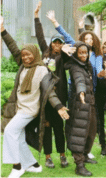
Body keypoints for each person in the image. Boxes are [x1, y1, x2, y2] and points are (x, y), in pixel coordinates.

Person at [1, 15, 69, 178]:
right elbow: (13, 47)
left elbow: (49, 91)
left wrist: (59, 106)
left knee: (10, 131)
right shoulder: (23, 66)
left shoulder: (41, 70)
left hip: (30, 110)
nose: (25, 57)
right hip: (19, 108)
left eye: (28, 55)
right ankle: (33, 164)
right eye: (23, 55)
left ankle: (17, 166)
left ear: (35, 55)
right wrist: (2, 30)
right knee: (18, 136)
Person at [47, 10, 102, 158]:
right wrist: (54, 22)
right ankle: (77, 154)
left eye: (91, 39)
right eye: (86, 38)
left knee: (91, 125)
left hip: (92, 93)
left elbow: (97, 71)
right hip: (77, 91)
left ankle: (84, 152)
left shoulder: (96, 56)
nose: (89, 41)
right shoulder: (77, 52)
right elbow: (78, 76)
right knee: (78, 124)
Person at [34, 1, 75, 168]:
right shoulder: (45, 52)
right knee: (47, 127)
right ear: (51, 44)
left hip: (59, 98)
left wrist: (55, 22)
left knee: (59, 127)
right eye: (55, 43)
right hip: (45, 98)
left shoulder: (64, 56)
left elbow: (72, 43)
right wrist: (36, 16)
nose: (57, 45)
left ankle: (63, 156)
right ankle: (48, 157)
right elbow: (39, 35)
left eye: (60, 43)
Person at [64, 41, 97, 176]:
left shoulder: (85, 65)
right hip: (79, 105)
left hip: (90, 104)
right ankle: (79, 165)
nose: (84, 55)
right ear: (76, 54)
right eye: (81, 53)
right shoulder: (76, 67)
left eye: (85, 52)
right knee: (79, 134)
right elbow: (79, 81)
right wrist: (81, 92)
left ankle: (84, 155)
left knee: (91, 132)